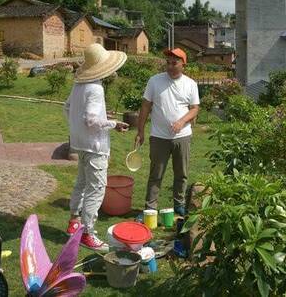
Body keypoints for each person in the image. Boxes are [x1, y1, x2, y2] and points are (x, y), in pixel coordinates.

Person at [65, 43, 129, 252]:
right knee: (96, 188)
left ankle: (74, 221)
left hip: (80, 144)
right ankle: (88, 233)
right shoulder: (95, 87)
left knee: (82, 183)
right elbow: (91, 120)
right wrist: (113, 123)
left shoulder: (79, 85)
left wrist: (79, 127)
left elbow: (69, 108)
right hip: (94, 146)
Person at [135, 48, 200, 218]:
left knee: (181, 173)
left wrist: (181, 121)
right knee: (156, 174)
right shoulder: (154, 81)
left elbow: (194, 109)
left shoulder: (190, 84)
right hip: (159, 136)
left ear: (183, 64)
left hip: (182, 136)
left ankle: (178, 205)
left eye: (174, 63)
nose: (170, 66)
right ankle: (150, 209)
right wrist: (140, 131)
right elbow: (145, 107)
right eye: (168, 62)